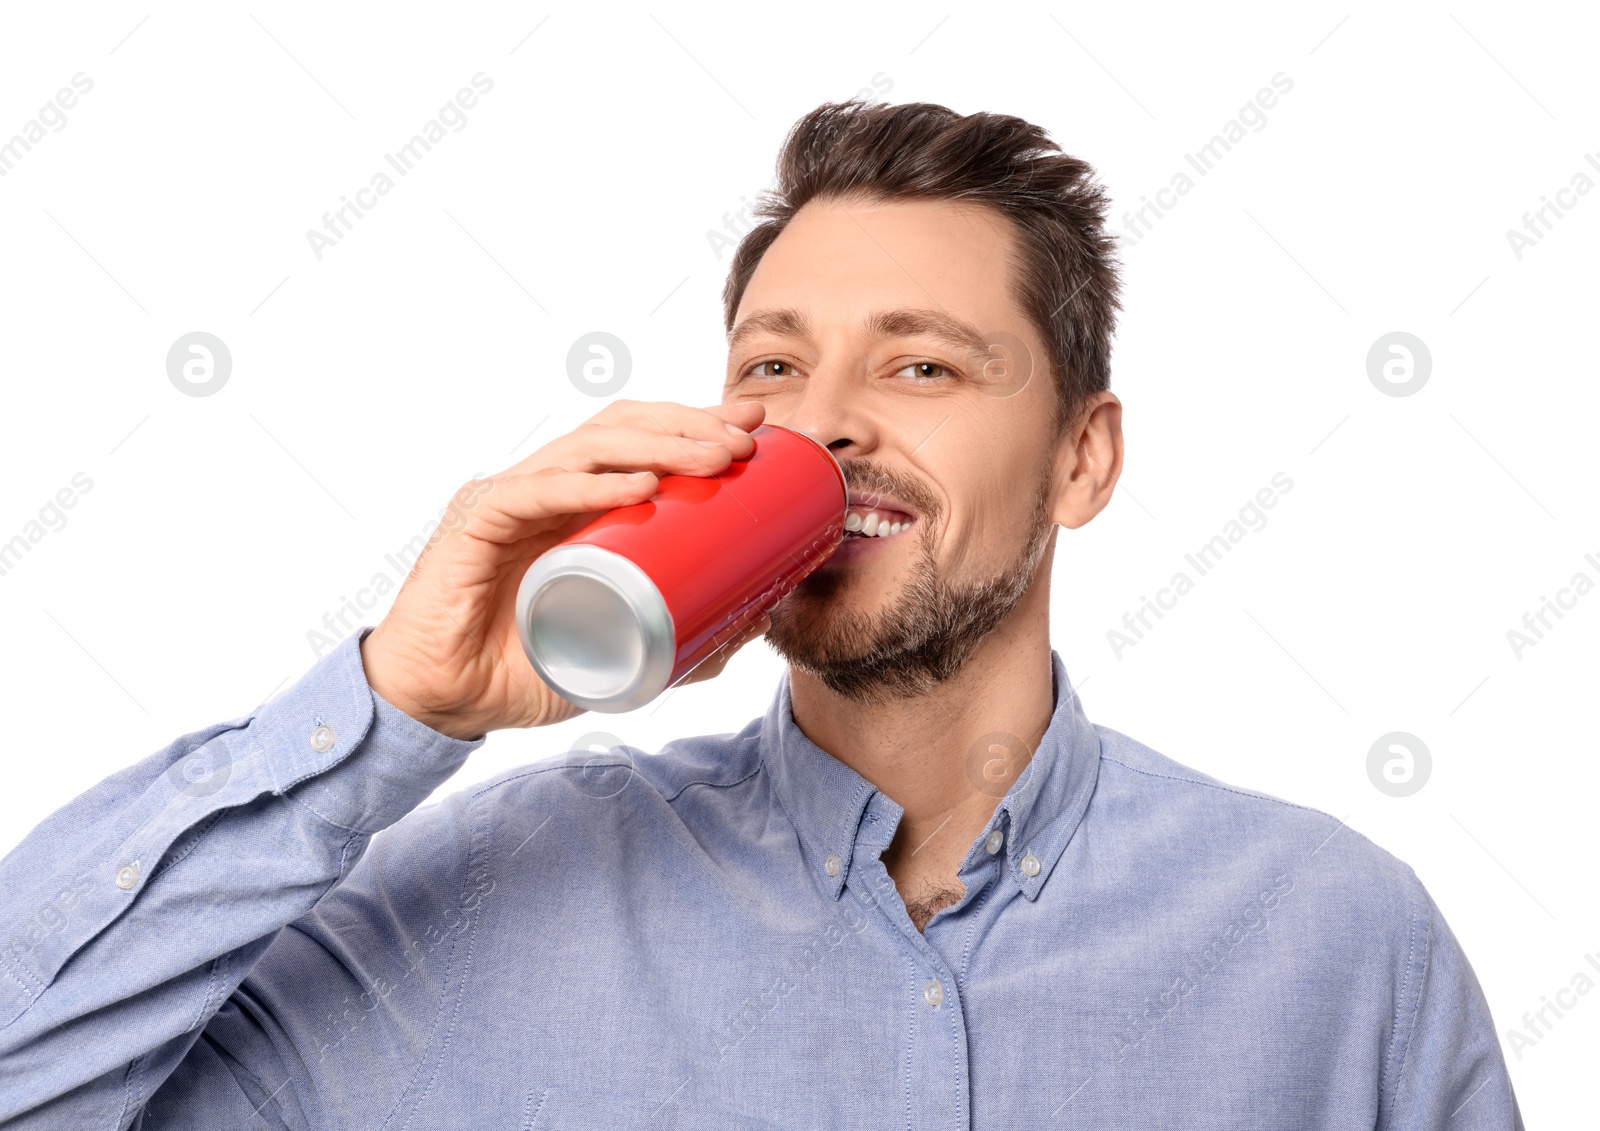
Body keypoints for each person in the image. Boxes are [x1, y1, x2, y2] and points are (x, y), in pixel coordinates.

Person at [0, 99, 1521, 1129]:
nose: (829, 430)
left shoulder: (1332, 941)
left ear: (1082, 457)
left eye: (921, 364)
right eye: (774, 370)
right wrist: (398, 709)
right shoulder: (486, 898)